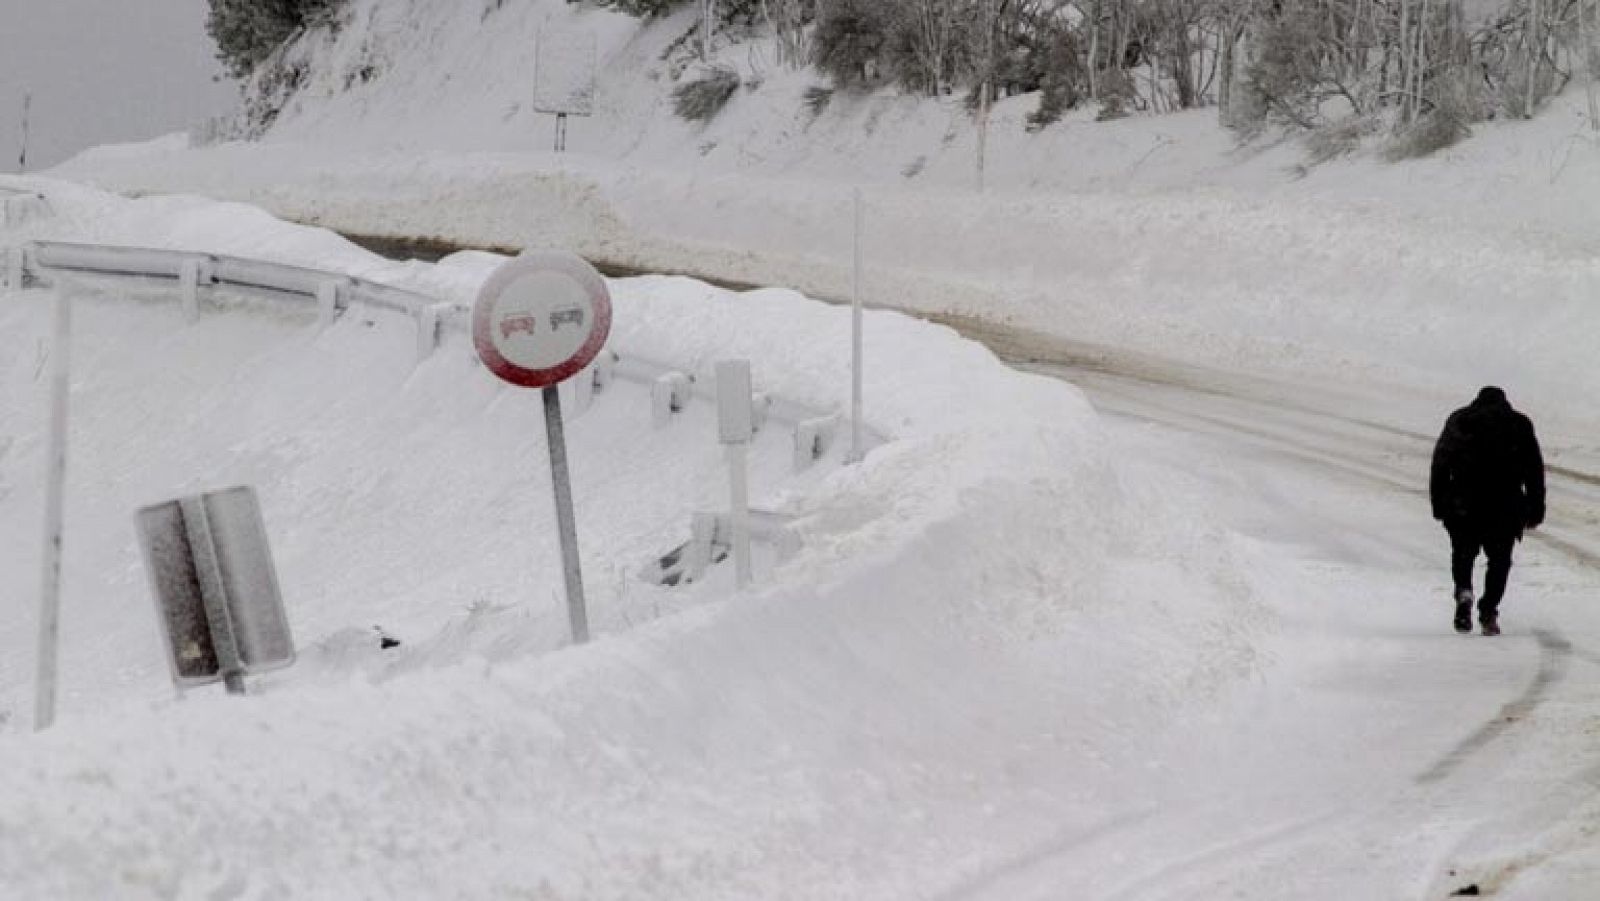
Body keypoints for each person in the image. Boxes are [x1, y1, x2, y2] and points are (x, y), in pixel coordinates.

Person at [1429, 386, 1545, 636]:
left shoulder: (1460, 420)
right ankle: (1489, 609)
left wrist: (1438, 501)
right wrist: (1536, 507)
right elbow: (1534, 470)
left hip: (1464, 502)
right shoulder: (1519, 424)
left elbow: (1440, 463)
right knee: (1500, 560)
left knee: (1463, 552)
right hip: (1505, 504)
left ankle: (1464, 592)